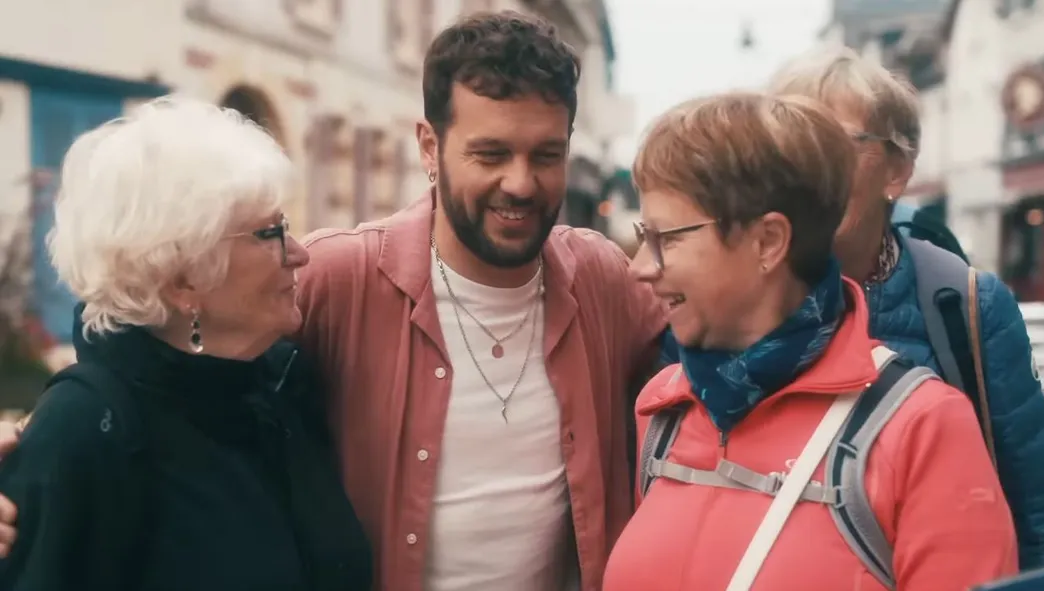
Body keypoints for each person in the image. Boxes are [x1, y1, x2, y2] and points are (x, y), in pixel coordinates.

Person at [0, 12, 665, 590]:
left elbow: (721, 357)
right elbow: (129, 371)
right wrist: (25, 452)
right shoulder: (335, 280)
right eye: (490, 152)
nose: (521, 182)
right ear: (429, 147)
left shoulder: (603, 281)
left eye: (546, 154)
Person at [603, 91, 1018, 591]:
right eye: (642, 235)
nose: (639, 268)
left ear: (768, 242)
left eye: (666, 238)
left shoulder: (920, 429)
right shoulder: (663, 409)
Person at [0, 97, 373, 590]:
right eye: (270, 233)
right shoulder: (85, 432)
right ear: (183, 277)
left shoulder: (282, 388)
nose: (301, 254)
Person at [763, 48, 1044, 568]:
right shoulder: (727, 306)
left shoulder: (969, 307)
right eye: (784, 148)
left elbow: (1040, 516)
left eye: (831, 145)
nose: (804, 173)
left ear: (897, 171)